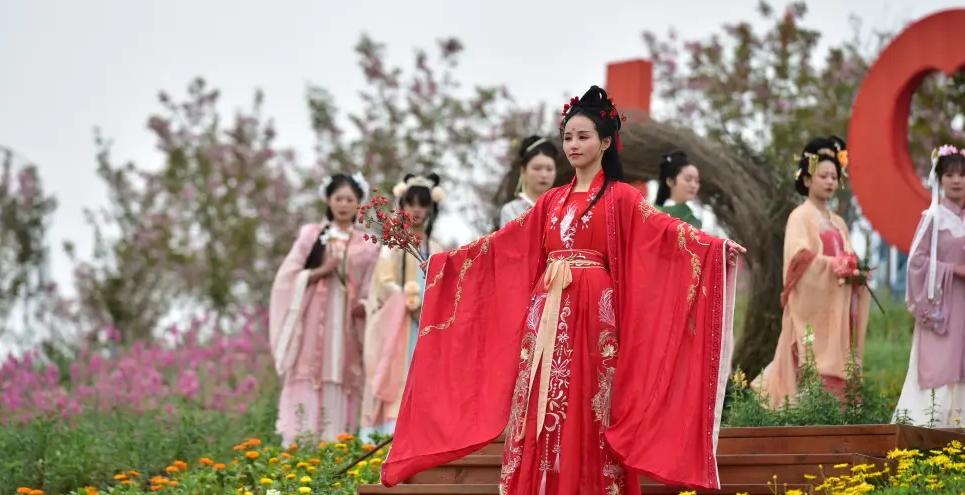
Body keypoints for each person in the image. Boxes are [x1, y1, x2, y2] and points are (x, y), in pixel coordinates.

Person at [381, 86, 744, 494]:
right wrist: (446, 263)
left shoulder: (622, 198)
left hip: (594, 316)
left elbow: (664, 234)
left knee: (589, 404)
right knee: (539, 398)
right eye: (568, 136)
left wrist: (717, 249)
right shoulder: (550, 202)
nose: (573, 144)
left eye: (583, 136)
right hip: (545, 315)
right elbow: (503, 246)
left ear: (606, 142)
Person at [755, 136, 871, 408]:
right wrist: (835, 266)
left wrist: (856, 273)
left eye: (834, 176)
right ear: (807, 180)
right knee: (809, 371)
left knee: (840, 371)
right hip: (811, 312)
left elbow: (850, 257)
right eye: (823, 176)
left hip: (837, 311)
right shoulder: (800, 216)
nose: (830, 181)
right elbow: (799, 260)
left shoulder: (839, 222)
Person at [269, 172, 379, 444]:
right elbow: (287, 278)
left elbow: (373, 286)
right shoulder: (311, 235)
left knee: (342, 377)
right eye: (338, 198)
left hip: (346, 331)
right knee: (309, 377)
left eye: (349, 199)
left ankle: (337, 448)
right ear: (328, 200)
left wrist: (365, 304)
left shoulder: (367, 244)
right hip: (312, 331)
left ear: (358, 204)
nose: (343, 204)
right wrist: (320, 272)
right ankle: (300, 449)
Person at [360, 173, 444, 439]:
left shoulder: (437, 248)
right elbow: (383, 283)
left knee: (427, 375)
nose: (417, 210)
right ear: (402, 206)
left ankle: (424, 432)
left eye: (423, 204)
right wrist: (406, 303)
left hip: (428, 323)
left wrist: (430, 308)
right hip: (400, 325)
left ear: (432, 209)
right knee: (399, 375)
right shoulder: (393, 246)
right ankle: (389, 434)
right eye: (412, 203)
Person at [894, 145, 965, 426]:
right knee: (938, 365)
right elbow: (916, 262)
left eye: (962, 174)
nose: (957, 180)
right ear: (939, 179)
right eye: (949, 174)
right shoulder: (932, 218)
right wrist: (953, 270)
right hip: (941, 307)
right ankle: (925, 431)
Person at [500, 135, 559, 227]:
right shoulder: (510, 210)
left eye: (549, 169)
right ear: (523, 170)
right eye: (537, 168)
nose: (544, 175)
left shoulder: (562, 207)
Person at [655, 150, 702, 228]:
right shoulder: (653, 214)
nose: (694, 185)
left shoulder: (694, 219)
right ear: (670, 181)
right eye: (688, 179)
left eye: (697, 181)